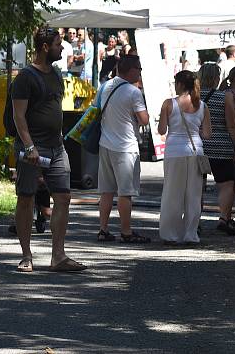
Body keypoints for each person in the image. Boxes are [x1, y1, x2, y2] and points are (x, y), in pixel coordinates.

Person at [11, 27, 85, 272]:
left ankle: (58, 256)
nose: (62, 48)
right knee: (26, 198)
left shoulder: (54, 73)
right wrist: (29, 145)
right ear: (45, 47)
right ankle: (26, 256)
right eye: (57, 44)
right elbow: (18, 116)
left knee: (63, 197)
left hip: (56, 147)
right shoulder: (25, 78)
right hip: (33, 147)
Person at [96, 54, 151, 243]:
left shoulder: (105, 86)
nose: (141, 72)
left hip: (105, 143)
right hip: (126, 147)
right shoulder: (133, 92)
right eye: (140, 68)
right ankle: (126, 231)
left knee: (106, 191)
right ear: (132, 69)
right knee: (125, 192)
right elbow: (144, 120)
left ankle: (103, 229)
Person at [157, 70, 212, 244]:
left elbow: (161, 130)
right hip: (195, 151)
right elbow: (207, 133)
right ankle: (190, 234)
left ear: (180, 84)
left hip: (174, 151)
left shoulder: (168, 104)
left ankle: (170, 234)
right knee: (194, 195)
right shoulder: (202, 105)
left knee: (172, 193)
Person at [199, 64, 235, 235]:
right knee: (226, 184)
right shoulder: (223, 97)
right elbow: (231, 125)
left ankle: (195, 220)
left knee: (197, 185)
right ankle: (224, 218)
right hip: (221, 146)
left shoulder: (192, 98)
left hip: (199, 147)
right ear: (216, 78)